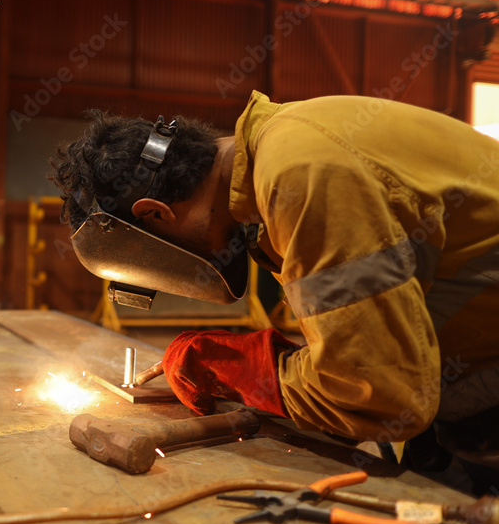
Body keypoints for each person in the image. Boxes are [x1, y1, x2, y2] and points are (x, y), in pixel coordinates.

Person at [49, 91, 499, 489]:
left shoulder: (301, 179)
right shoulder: (278, 146)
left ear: (156, 213)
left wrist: (243, 369)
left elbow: (383, 393)